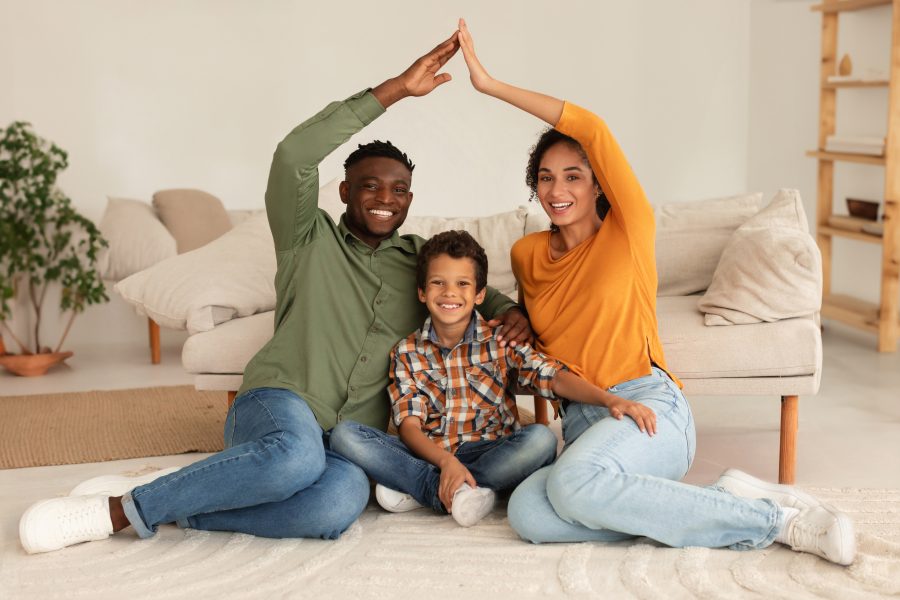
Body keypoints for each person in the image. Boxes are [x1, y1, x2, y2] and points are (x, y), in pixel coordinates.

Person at [18, 32, 533, 554]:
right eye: (370, 185)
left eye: (398, 189)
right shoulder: (306, 237)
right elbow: (292, 156)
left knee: (337, 504)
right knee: (294, 458)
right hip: (278, 402)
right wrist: (398, 88)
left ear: (410, 200)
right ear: (344, 191)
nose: (385, 198)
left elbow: (473, 288)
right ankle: (116, 512)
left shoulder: (421, 261)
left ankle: (176, 505)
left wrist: (510, 310)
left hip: (347, 436)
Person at [455, 18, 856, 565]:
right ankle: (720, 500)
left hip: (649, 407)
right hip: (585, 420)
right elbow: (541, 325)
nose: (558, 190)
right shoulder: (526, 255)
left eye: (573, 175)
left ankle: (778, 521)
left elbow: (591, 127)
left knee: (572, 489)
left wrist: (490, 85)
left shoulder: (629, 229)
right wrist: (517, 315)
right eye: (546, 178)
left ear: (598, 183)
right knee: (529, 513)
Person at [330, 230, 657, 528]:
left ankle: (425, 487)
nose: (449, 293)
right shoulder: (407, 351)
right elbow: (409, 427)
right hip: (431, 452)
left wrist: (610, 399)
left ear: (480, 294)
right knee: (345, 435)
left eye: (462, 284)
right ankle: (451, 487)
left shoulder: (499, 341)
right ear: (421, 292)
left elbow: (552, 377)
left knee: (541, 441)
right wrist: (445, 462)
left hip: (490, 452)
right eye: (438, 283)